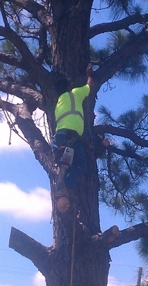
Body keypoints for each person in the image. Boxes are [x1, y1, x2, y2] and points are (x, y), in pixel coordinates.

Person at [52, 64, 94, 213]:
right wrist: (89, 74)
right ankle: (65, 187)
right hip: (73, 137)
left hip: (61, 137)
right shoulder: (75, 93)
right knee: (80, 165)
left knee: (64, 163)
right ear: (69, 87)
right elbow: (89, 87)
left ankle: (61, 189)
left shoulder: (58, 104)